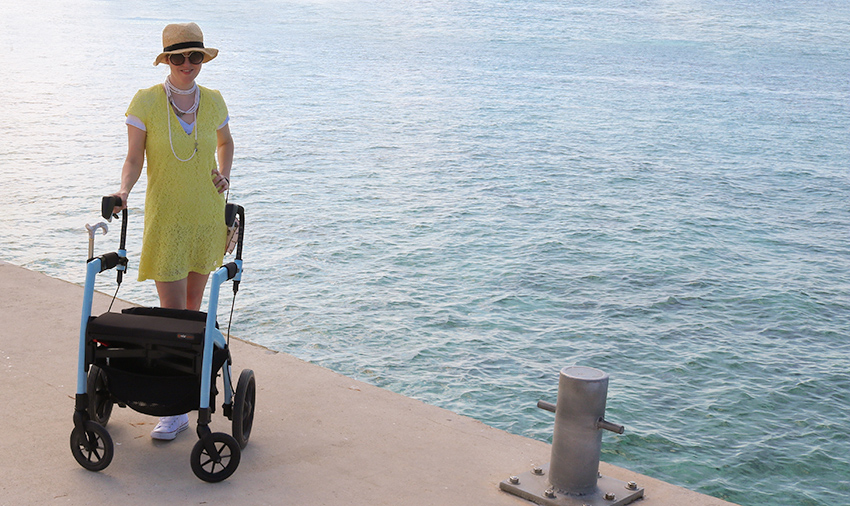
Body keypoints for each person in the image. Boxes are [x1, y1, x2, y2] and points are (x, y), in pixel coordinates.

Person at [112, 22, 234, 441]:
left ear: (203, 59)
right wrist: (123, 190)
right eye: (178, 57)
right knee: (172, 315)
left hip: (206, 214)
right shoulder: (146, 101)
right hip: (167, 218)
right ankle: (175, 408)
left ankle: (189, 397)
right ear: (167, 60)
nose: (188, 65)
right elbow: (133, 160)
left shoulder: (214, 100)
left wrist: (224, 177)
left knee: (195, 311)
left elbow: (226, 143)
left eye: (195, 56)